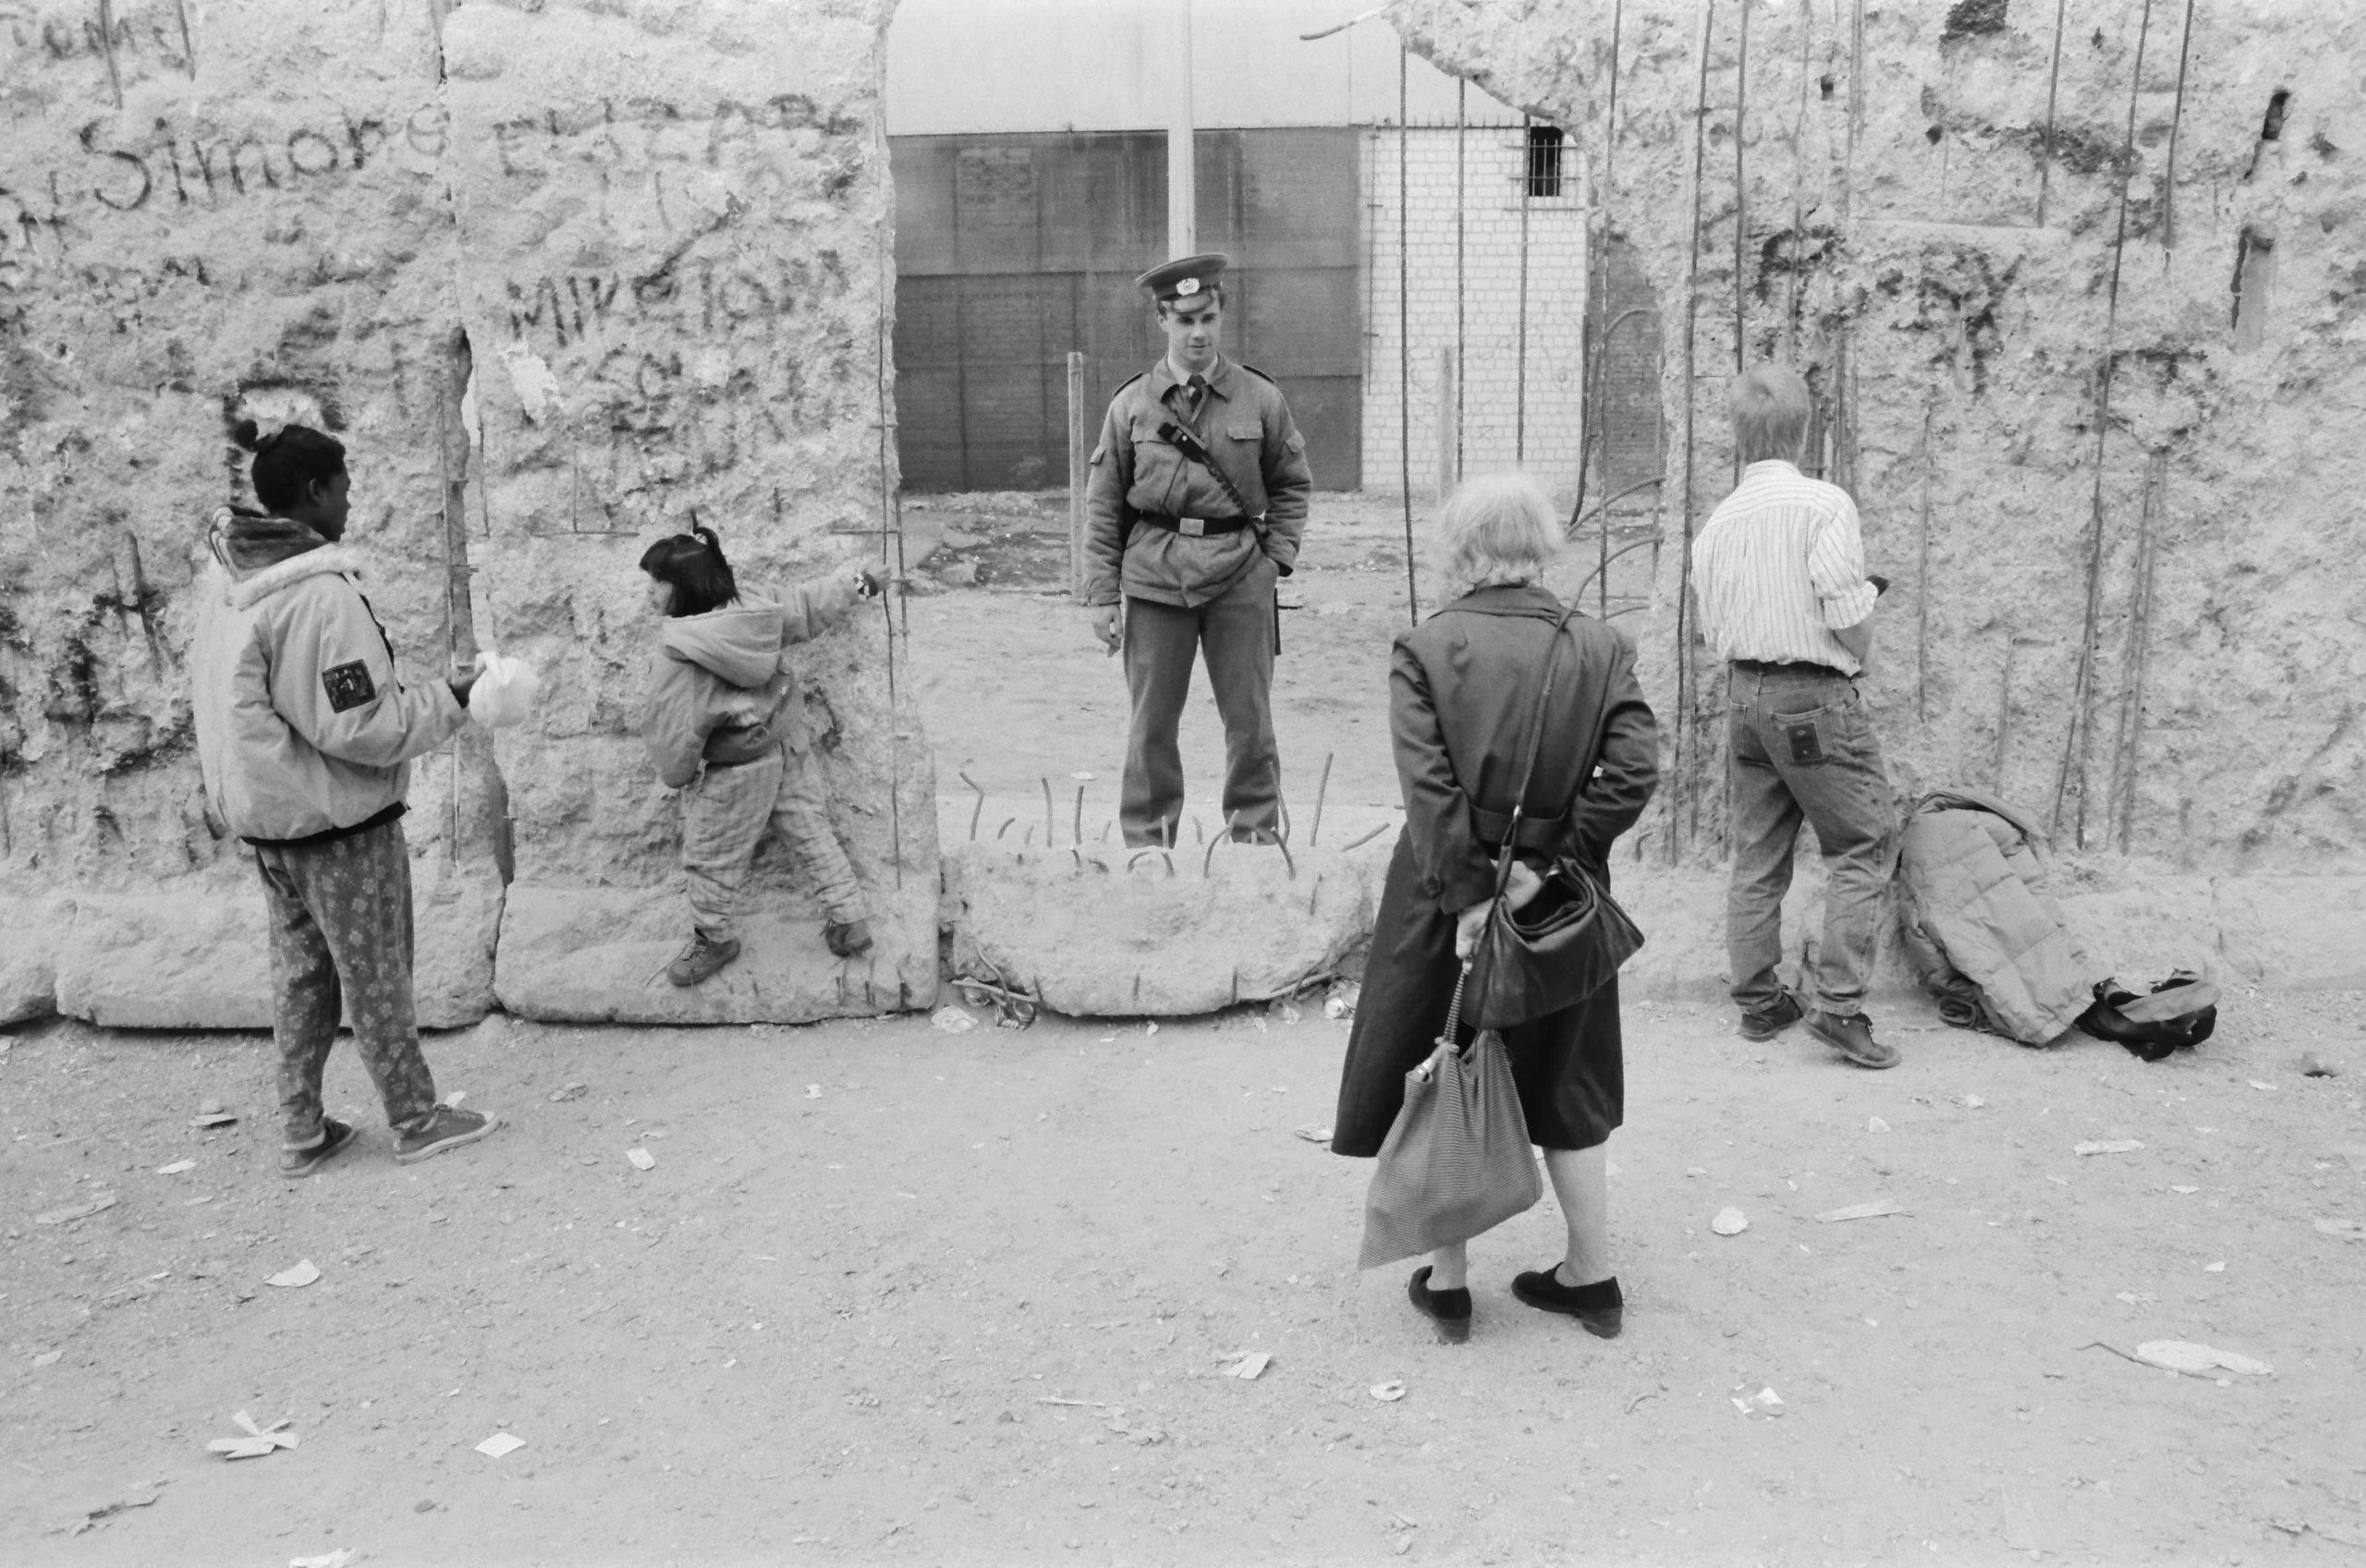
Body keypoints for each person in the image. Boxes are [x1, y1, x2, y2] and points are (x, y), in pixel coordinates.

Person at [1331, 474, 1659, 1343]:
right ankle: (1591, 1275)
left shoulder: (1426, 646)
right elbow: (1631, 773)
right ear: (1542, 545)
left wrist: (1476, 893)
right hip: (1561, 904)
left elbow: (1429, 791)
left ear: (1464, 550)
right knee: (1568, 1077)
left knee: (1450, 1062)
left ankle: (1447, 1280)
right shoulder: (1599, 645)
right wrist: (1553, 866)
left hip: (1443, 895)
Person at [190, 419, 501, 1177]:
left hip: (269, 823)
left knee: (301, 974)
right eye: (345, 489)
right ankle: (416, 1117)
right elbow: (362, 725)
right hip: (335, 824)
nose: (351, 504)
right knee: (376, 972)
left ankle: (302, 1128)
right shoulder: (318, 596)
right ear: (315, 492)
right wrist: (455, 697)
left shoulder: (229, 580)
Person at [1690, 363, 1900, 1069]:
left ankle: (1759, 1001)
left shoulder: (1716, 525)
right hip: (1811, 698)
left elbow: (1714, 630)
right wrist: (1862, 637)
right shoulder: (1824, 505)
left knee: (1758, 853)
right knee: (1864, 840)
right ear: (1804, 429)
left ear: (1739, 435)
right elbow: (1845, 611)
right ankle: (1839, 1006)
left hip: (1745, 697)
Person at [1082, 252, 1313, 847]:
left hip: (1240, 573)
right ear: (1162, 319)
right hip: (1156, 577)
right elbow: (1105, 503)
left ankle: (1256, 839)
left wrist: (1274, 562)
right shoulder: (1132, 404)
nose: (1198, 332)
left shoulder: (1259, 398)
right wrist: (1102, 595)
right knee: (1151, 725)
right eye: (1183, 319)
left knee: (1250, 723)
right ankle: (1148, 845)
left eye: (1207, 316)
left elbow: (1291, 484)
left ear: (1221, 312)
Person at [639, 525, 881, 987]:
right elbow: (804, 606)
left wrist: (679, 773)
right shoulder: (752, 610)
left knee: (710, 855)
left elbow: (671, 729)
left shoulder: (680, 655)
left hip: (739, 767)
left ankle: (715, 938)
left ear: (683, 588)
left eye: (657, 582)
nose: (650, 592)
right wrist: (859, 584)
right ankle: (849, 920)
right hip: (788, 742)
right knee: (811, 831)